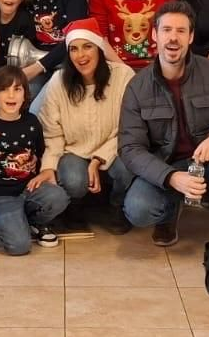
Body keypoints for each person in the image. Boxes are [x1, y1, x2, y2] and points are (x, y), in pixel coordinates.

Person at [118, 1, 209, 273]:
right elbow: (130, 148)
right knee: (138, 209)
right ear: (154, 35)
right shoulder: (137, 87)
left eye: (180, 30)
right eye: (166, 30)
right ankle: (169, 210)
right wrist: (171, 177)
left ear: (191, 37)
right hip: (168, 169)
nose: (173, 38)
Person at [32, 19, 136, 233]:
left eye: (87, 46)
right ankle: (74, 208)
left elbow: (129, 129)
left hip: (115, 147)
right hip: (73, 150)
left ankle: (117, 206)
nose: (81, 55)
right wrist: (48, 166)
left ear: (99, 48)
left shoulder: (123, 76)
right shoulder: (58, 81)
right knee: (73, 179)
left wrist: (98, 159)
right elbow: (52, 133)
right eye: (74, 49)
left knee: (127, 167)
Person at [0, 66, 68, 255]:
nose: (11, 95)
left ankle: (33, 222)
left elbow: (40, 153)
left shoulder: (32, 122)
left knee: (59, 197)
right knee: (19, 246)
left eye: (17, 89)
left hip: (28, 189)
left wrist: (41, 172)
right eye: (4, 89)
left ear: (25, 94)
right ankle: (8, 225)